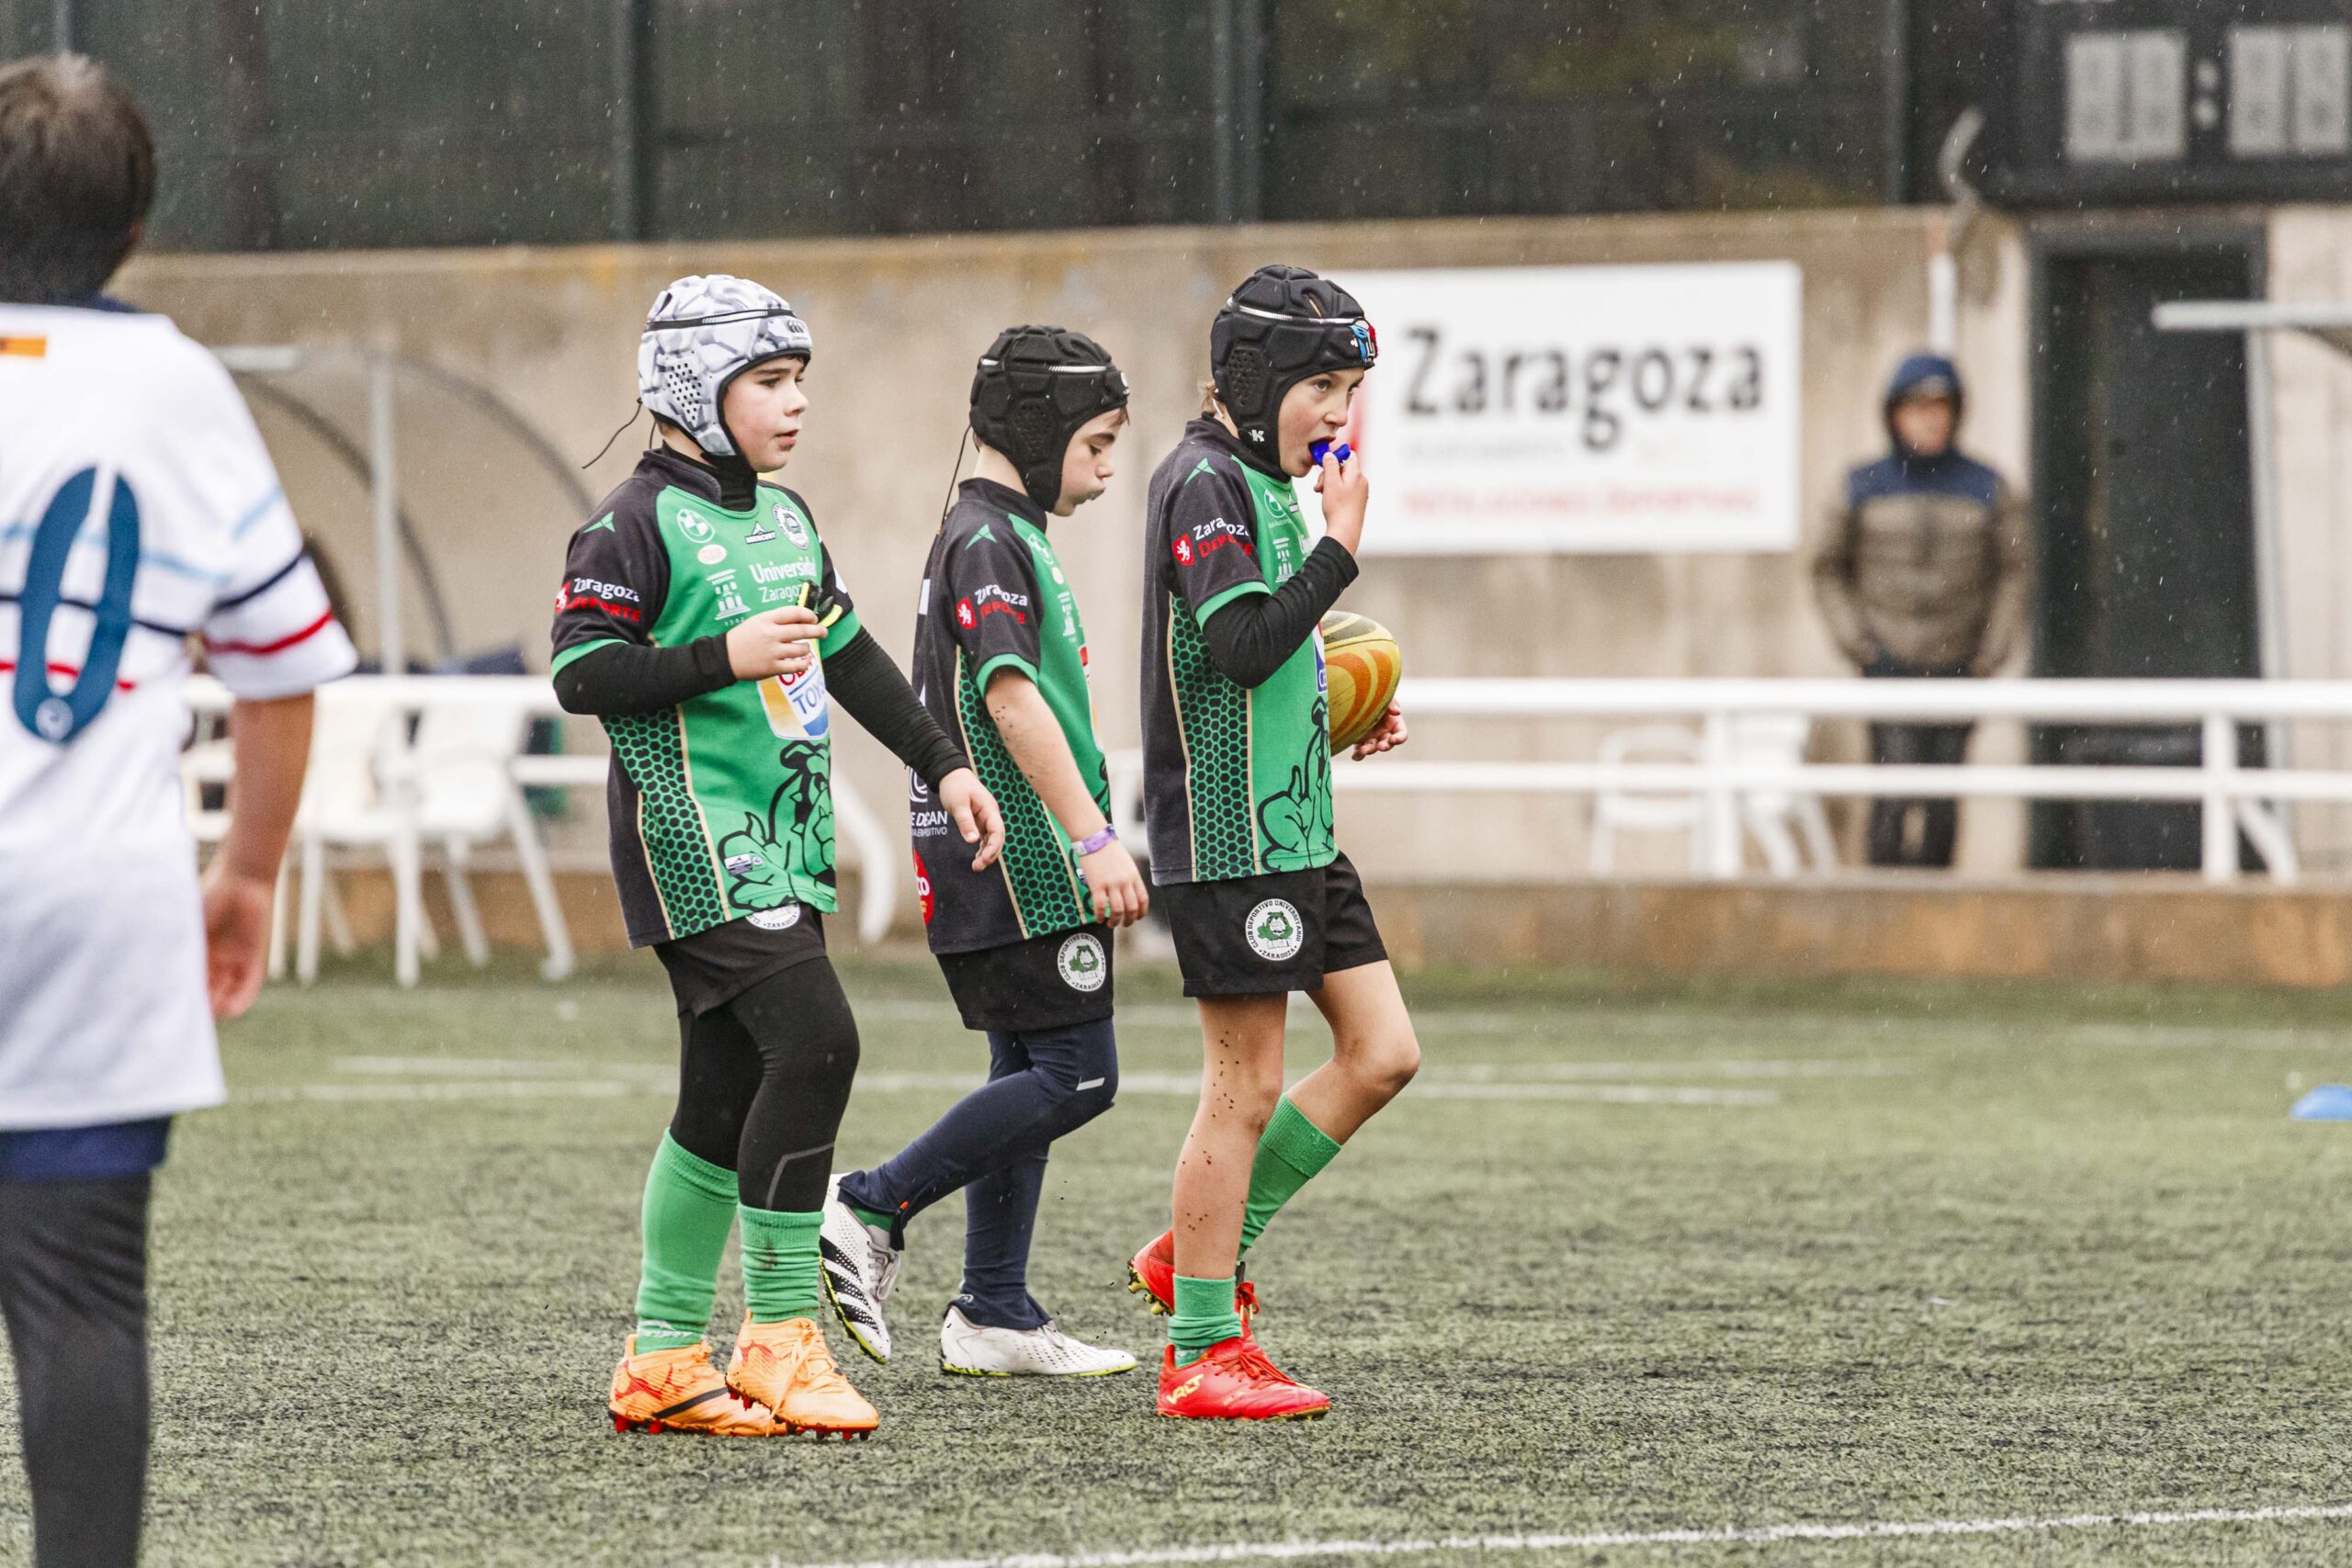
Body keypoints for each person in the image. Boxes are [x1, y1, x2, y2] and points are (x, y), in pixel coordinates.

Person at [0, 55, 356, 1565]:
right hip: (90, 894)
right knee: (81, 1296)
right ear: (136, 224)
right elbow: (280, 669)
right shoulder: (176, 387)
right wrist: (250, 871)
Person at [551, 274, 1005, 1440]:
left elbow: (848, 657)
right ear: (691, 391)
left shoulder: (787, 520)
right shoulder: (629, 524)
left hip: (782, 850)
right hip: (695, 847)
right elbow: (579, 673)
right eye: (767, 381)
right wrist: (722, 653)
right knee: (818, 1043)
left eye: (798, 378)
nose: (794, 403)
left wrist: (944, 761)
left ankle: (660, 1361)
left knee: (720, 1098)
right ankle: (780, 1338)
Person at [820, 327, 1145, 1378]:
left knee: (1027, 1064)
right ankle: (873, 1201)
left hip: (995, 856)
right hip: (1021, 859)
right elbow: (1010, 699)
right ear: (1041, 430)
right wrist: (1092, 836)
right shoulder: (989, 541)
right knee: (1077, 1075)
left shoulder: (998, 531)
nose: (1106, 465)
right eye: (1095, 441)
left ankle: (994, 1312)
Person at [1126, 265, 1417, 1422]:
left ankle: (1187, 1252)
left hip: (1294, 827)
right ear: (1254, 382)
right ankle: (1202, 1348)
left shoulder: (1255, 478)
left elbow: (1261, 661)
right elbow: (1240, 643)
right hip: (1227, 837)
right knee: (1241, 1087)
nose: (1340, 413)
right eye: (1324, 387)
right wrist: (1340, 550)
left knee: (1383, 1052)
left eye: (1351, 389)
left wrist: (1333, 704)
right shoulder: (1204, 481)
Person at [1811, 352, 2030, 869]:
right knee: (1892, 789)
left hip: (1960, 664)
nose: (1930, 419)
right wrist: (1859, 644)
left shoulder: (1987, 487)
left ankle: (1937, 923)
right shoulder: (1861, 485)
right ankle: (1883, 915)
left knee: (1943, 797)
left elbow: (2016, 571)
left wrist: (1990, 652)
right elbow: (1827, 569)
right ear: (1893, 414)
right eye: (1917, 407)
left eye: (1941, 407)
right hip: (1888, 664)